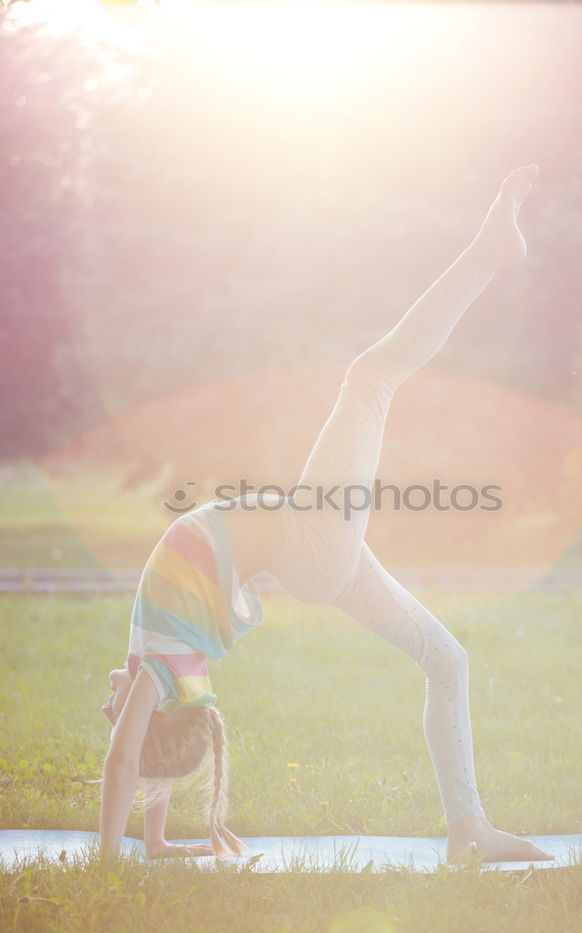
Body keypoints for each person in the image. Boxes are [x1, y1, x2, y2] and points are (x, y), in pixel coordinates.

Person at [100, 164, 555, 864]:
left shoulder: (151, 656)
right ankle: (487, 257)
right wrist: (109, 856)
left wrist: (157, 842)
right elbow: (125, 761)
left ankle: (469, 830)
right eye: (117, 718)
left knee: (446, 663)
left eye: (113, 716)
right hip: (307, 543)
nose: (105, 713)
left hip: (313, 555)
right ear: (152, 713)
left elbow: (146, 754)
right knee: (369, 380)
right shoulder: (161, 668)